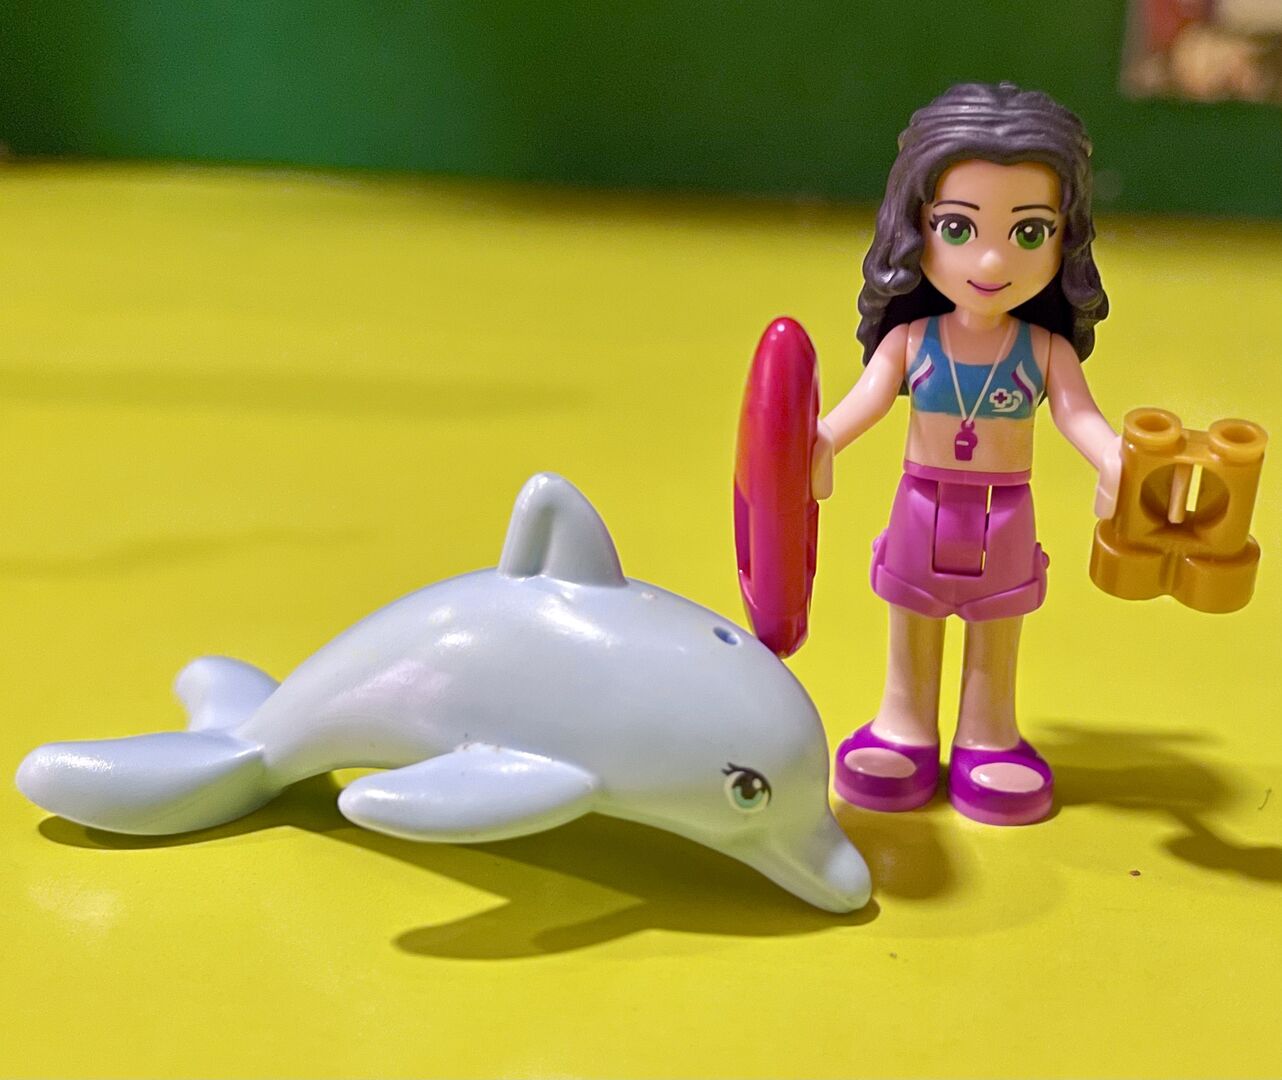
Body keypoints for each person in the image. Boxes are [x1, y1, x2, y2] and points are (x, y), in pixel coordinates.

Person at [814, 82, 1122, 825]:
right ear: (913, 227)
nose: (990, 258)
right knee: (911, 621)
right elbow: (862, 404)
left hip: (1005, 511)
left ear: (1067, 237)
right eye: (957, 227)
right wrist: (816, 442)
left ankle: (988, 735)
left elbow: (1081, 418)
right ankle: (904, 725)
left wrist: (1118, 461)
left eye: (1028, 232)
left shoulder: (1043, 349)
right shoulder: (910, 340)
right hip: (920, 503)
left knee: (997, 631)